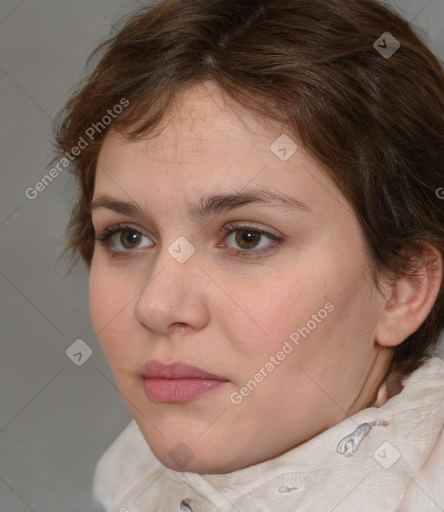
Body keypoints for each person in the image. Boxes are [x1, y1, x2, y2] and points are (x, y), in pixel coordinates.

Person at [52, 0, 444, 510]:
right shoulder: (127, 484)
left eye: (247, 238)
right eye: (128, 237)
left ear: (403, 288)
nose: (157, 305)